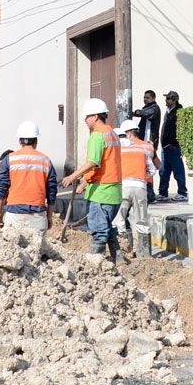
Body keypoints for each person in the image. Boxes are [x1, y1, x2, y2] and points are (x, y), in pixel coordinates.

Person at [61, 98, 123, 261]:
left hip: (101, 193)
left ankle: (97, 261)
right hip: (114, 191)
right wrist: (85, 182)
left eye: (87, 116)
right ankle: (119, 258)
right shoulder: (113, 134)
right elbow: (104, 165)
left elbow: (93, 162)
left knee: (99, 230)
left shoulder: (97, 136)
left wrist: (73, 176)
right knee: (106, 227)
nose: (85, 120)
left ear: (95, 116)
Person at [0, 121, 57, 240]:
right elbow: (52, 191)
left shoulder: (9, 159)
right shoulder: (46, 160)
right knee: (36, 255)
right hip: (37, 216)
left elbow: (2, 187)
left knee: (14, 254)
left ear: (20, 141)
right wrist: (49, 216)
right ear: (36, 141)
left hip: (14, 215)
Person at [116, 118, 159, 257]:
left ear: (127, 134)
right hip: (141, 186)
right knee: (142, 219)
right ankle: (144, 254)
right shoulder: (145, 148)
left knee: (120, 218)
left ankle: (125, 250)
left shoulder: (119, 150)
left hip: (124, 186)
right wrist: (141, 176)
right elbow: (153, 169)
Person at [156, 90, 188, 203]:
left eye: (168, 99)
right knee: (164, 171)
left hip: (172, 147)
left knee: (177, 170)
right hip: (165, 147)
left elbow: (179, 130)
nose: (166, 100)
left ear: (174, 100)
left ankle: (182, 192)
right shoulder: (168, 111)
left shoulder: (178, 112)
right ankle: (163, 192)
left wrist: (174, 144)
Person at [133, 88, 162, 201]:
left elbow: (145, 113)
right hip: (145, 143)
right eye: (144, 98)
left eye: (147, 98)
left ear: (153, 98)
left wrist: (135, 112)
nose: (145, 100)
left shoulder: (154, 109)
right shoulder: (148, 109)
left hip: (150, 142)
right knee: (145, 167)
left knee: (150, 167)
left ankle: (151, 194)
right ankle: (148, 193)